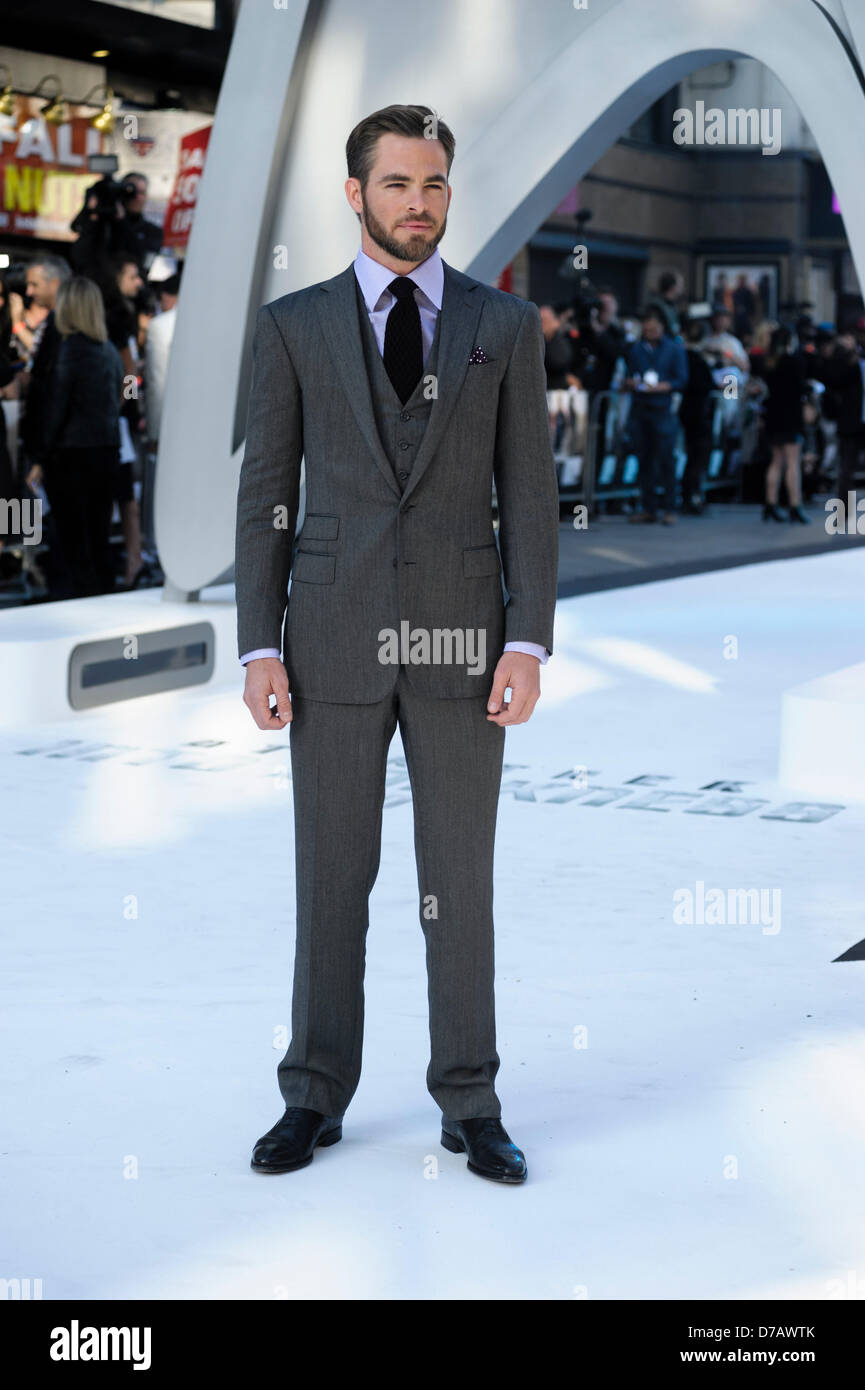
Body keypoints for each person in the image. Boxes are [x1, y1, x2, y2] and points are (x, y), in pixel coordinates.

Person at [235, 103, 559, 1184]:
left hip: (467, 643)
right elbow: (263, 496)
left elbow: (531, 497)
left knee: (457, 882)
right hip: (325, 637)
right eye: (397, 184)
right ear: (355, 193)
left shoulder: (501, 327)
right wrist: (257, 646)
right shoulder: (294, 326)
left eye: (433, 185)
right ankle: (312, 1094)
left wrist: (529, 642)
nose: (418, 203)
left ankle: (470, 1100)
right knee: (331, 877)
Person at [41, 276, 124, 597]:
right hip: (106, 450)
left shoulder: (68, 350)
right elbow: (121, 395)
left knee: (72, 540)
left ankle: (76, 601)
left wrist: (40, 454)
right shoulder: (109, 352)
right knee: (98, 535)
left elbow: (56, 408)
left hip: (71, 455)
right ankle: (100, 602)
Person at [98, 252, 145, 586]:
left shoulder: (120, 317)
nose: (139, 283)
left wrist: (122, 407)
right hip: (118, 421)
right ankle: (133, 557)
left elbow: (129, 373)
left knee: (124, 495)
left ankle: (134, 558)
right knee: (123, 495)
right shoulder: (117, 317)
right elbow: (129, 372)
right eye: (132, 276)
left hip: (117, 422)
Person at [623, 306, 688, 524]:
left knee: (667, 458)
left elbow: (682, 379)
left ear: (662, 327)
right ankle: (648, 507)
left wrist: (663, 386)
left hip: (662, 409)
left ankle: (670, 507)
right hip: (640, 407)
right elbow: (628, 375)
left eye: (654, 326)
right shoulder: (636, 349)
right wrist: (631, 382)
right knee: (644, 459)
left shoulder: (674, 349)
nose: (650, 330)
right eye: (647, 327)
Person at [750, 326, 811, 523]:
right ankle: (795, 504)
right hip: (790, 416)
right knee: (792, 461)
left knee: (776, 461)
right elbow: (801, 388)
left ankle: (770, 503)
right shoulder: (794, 362)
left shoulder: (768, 363)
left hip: (773, 415)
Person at [19, 256, 71, 487]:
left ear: (55, 284)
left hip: (56, 443)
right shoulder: (54, 321)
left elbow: (128, 374)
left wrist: (126, 407)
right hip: (49, 439)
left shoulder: (67, 327)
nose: (29, 292)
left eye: (35, 285)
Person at [679, 318, 716, 514]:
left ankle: (690, 494)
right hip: (698, 414)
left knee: (694, 455)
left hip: (689, 413)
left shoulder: (686, 357)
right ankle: (691, 495)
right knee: (698, 455)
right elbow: (705, 385)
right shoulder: (697, 360)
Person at [647, 270, 685, 339]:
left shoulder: (673, 305)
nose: (682, 287)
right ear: (672, 287)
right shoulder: (656, 307)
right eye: (680, 284)